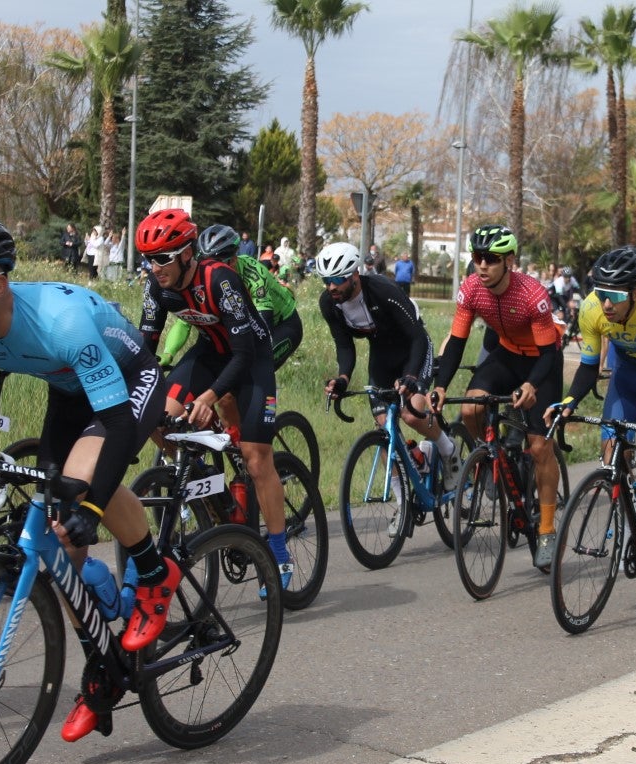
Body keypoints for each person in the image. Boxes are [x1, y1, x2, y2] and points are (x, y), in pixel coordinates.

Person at [0, 214, 178, 742]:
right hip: (67, 388)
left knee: (82, 488)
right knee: (61, 550)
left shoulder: (61, 322)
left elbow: (117, 423)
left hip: (127, 381)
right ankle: (103, 670)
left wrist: (91, 508)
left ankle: (155, 574)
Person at [135, 209, 293, 589]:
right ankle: (208, 494)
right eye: (147, 259)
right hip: (208, 353)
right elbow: (145, 349)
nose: (154, 268)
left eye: (162, 258)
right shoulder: (156, 287)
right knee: (160, 418)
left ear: (187, 253)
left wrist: (207, 398)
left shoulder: (220, 280)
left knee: (257, 458)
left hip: (251, 358)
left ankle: (279, 555)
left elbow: (242, 354)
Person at [432, 224, 564, 569]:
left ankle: (548, 529)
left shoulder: (531, 294)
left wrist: (532, 385)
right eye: (477, 258)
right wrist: (442, 385)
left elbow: (549, 355)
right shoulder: (472, 288)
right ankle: (492, 457)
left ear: (509, 261)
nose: (482, 265)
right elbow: (458, 342)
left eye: (490, 259)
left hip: (541, 362)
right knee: (473, 406)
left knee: (539, 447)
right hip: (506, 355)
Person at [547, 246, 636, 557]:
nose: (608, 304)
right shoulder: (591, 309)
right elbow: (588, 365)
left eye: (618, 297)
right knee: (611, 449)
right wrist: (570, 400)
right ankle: (630, 518)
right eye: (601, 294)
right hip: (626, 373)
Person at [317, 242, 461, 503]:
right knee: (384, 427)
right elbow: (344, 346)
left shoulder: (384, 290)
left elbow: (417, 336)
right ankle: (401, 502)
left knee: (412, 413)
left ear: (355, 275)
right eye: (327, 280)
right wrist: (342, 378)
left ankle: (447, 448)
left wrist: (412, 377)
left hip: (413, 348)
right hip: (382, 356)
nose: (331, 287)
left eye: (337, 279)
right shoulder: (329, 303)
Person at [159, 223, 303, 370]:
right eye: (203, 261)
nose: (209, 269)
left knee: (251, 371)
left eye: (215, 263)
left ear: (233, 260)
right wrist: (168, 353)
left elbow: (263, 328)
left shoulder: (253, 273)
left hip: (283, 324)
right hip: (242, 325)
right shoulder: (203, 277)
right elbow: (185, 322)